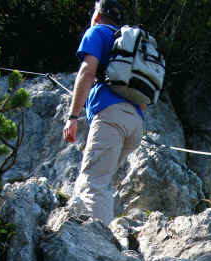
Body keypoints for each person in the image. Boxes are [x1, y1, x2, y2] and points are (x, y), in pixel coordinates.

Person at [63, 0, 144, 225]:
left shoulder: (97, 32)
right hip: (136, 121)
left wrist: (72, 117)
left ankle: (98, 249)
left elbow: (87, 72)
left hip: (110, 116)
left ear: (97, 15)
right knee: (98, 178)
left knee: (94, 183)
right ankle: (77, 226)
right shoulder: (132, 45)